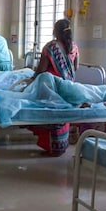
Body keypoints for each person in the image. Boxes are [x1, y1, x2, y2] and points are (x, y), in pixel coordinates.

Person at [27, 18, 79, 156]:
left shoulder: (50, 47)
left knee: (51, 115)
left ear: (55, 31)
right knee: (64, 114)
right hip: (68, 87)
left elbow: (42, 69)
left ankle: (51, 147)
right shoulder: (73, 46)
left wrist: (32, 79)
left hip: (52, 87)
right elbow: (75, 67)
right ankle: (61, 146)